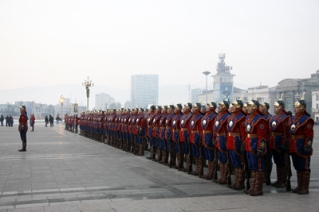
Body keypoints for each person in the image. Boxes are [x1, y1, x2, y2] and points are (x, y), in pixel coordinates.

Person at [289, 94, 313, 194]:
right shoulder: (293, 119)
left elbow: (309, 135)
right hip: (293, 145)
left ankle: (305, 187)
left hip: (301, 144)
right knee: (297, 166)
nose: (295, 109)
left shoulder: (306, 120)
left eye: (297, 107)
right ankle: (299, 186)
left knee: (304, 167)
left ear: (302, 108)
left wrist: (307, 145)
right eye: (295, 107)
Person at [244, 99, 267, 196]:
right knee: (252, 167)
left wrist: (260, 147)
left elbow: (262, 136)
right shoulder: (249, 118)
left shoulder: (259, 119)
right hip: (249, 144)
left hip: (254, 144)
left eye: (249, 106)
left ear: (254, 107)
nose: (247, 108)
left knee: (258, 167)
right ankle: (253, 187)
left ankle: (258, 188)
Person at [269, 98, 289, 188]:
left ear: (281, 108)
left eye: (276, 107)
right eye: (274, 107)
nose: (275, 109)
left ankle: (283, 180)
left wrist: (285, 142)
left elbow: (286, 132)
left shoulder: (285, 117)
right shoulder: (273, 117)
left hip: (280, 141)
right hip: (273, 141)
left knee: (282, 162)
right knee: (277, 161)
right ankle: (279, 179)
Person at [227, 98, 246, 189]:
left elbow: (242, 132)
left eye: (234, 105)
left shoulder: (241, 117)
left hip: (236, 141)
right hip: (231, 140)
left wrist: (243, 143)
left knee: (239, 162)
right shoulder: (231, 116)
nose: (232, 107)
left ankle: (240, 182)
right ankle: (236, 181)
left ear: (238, 107)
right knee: (234, 162)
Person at [214, 100, 230, 184]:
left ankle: (225, 177)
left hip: (223, 138)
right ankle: (221, 176)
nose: (218, 107)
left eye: (220, 106)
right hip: (218, 138)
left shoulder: (227, 116)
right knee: (220, 159)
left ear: (225, 107)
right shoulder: (218, 116)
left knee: (224, 158)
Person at [201, 102, 217, 180]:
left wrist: (213, 138)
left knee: (211, 156)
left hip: (210, 136)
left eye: (208, 106)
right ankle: (209, 172)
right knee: (207, 155)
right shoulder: (205, 116)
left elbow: (214, 129)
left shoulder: (214, 116)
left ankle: (212, 172)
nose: (206, 107)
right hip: (205, 136)